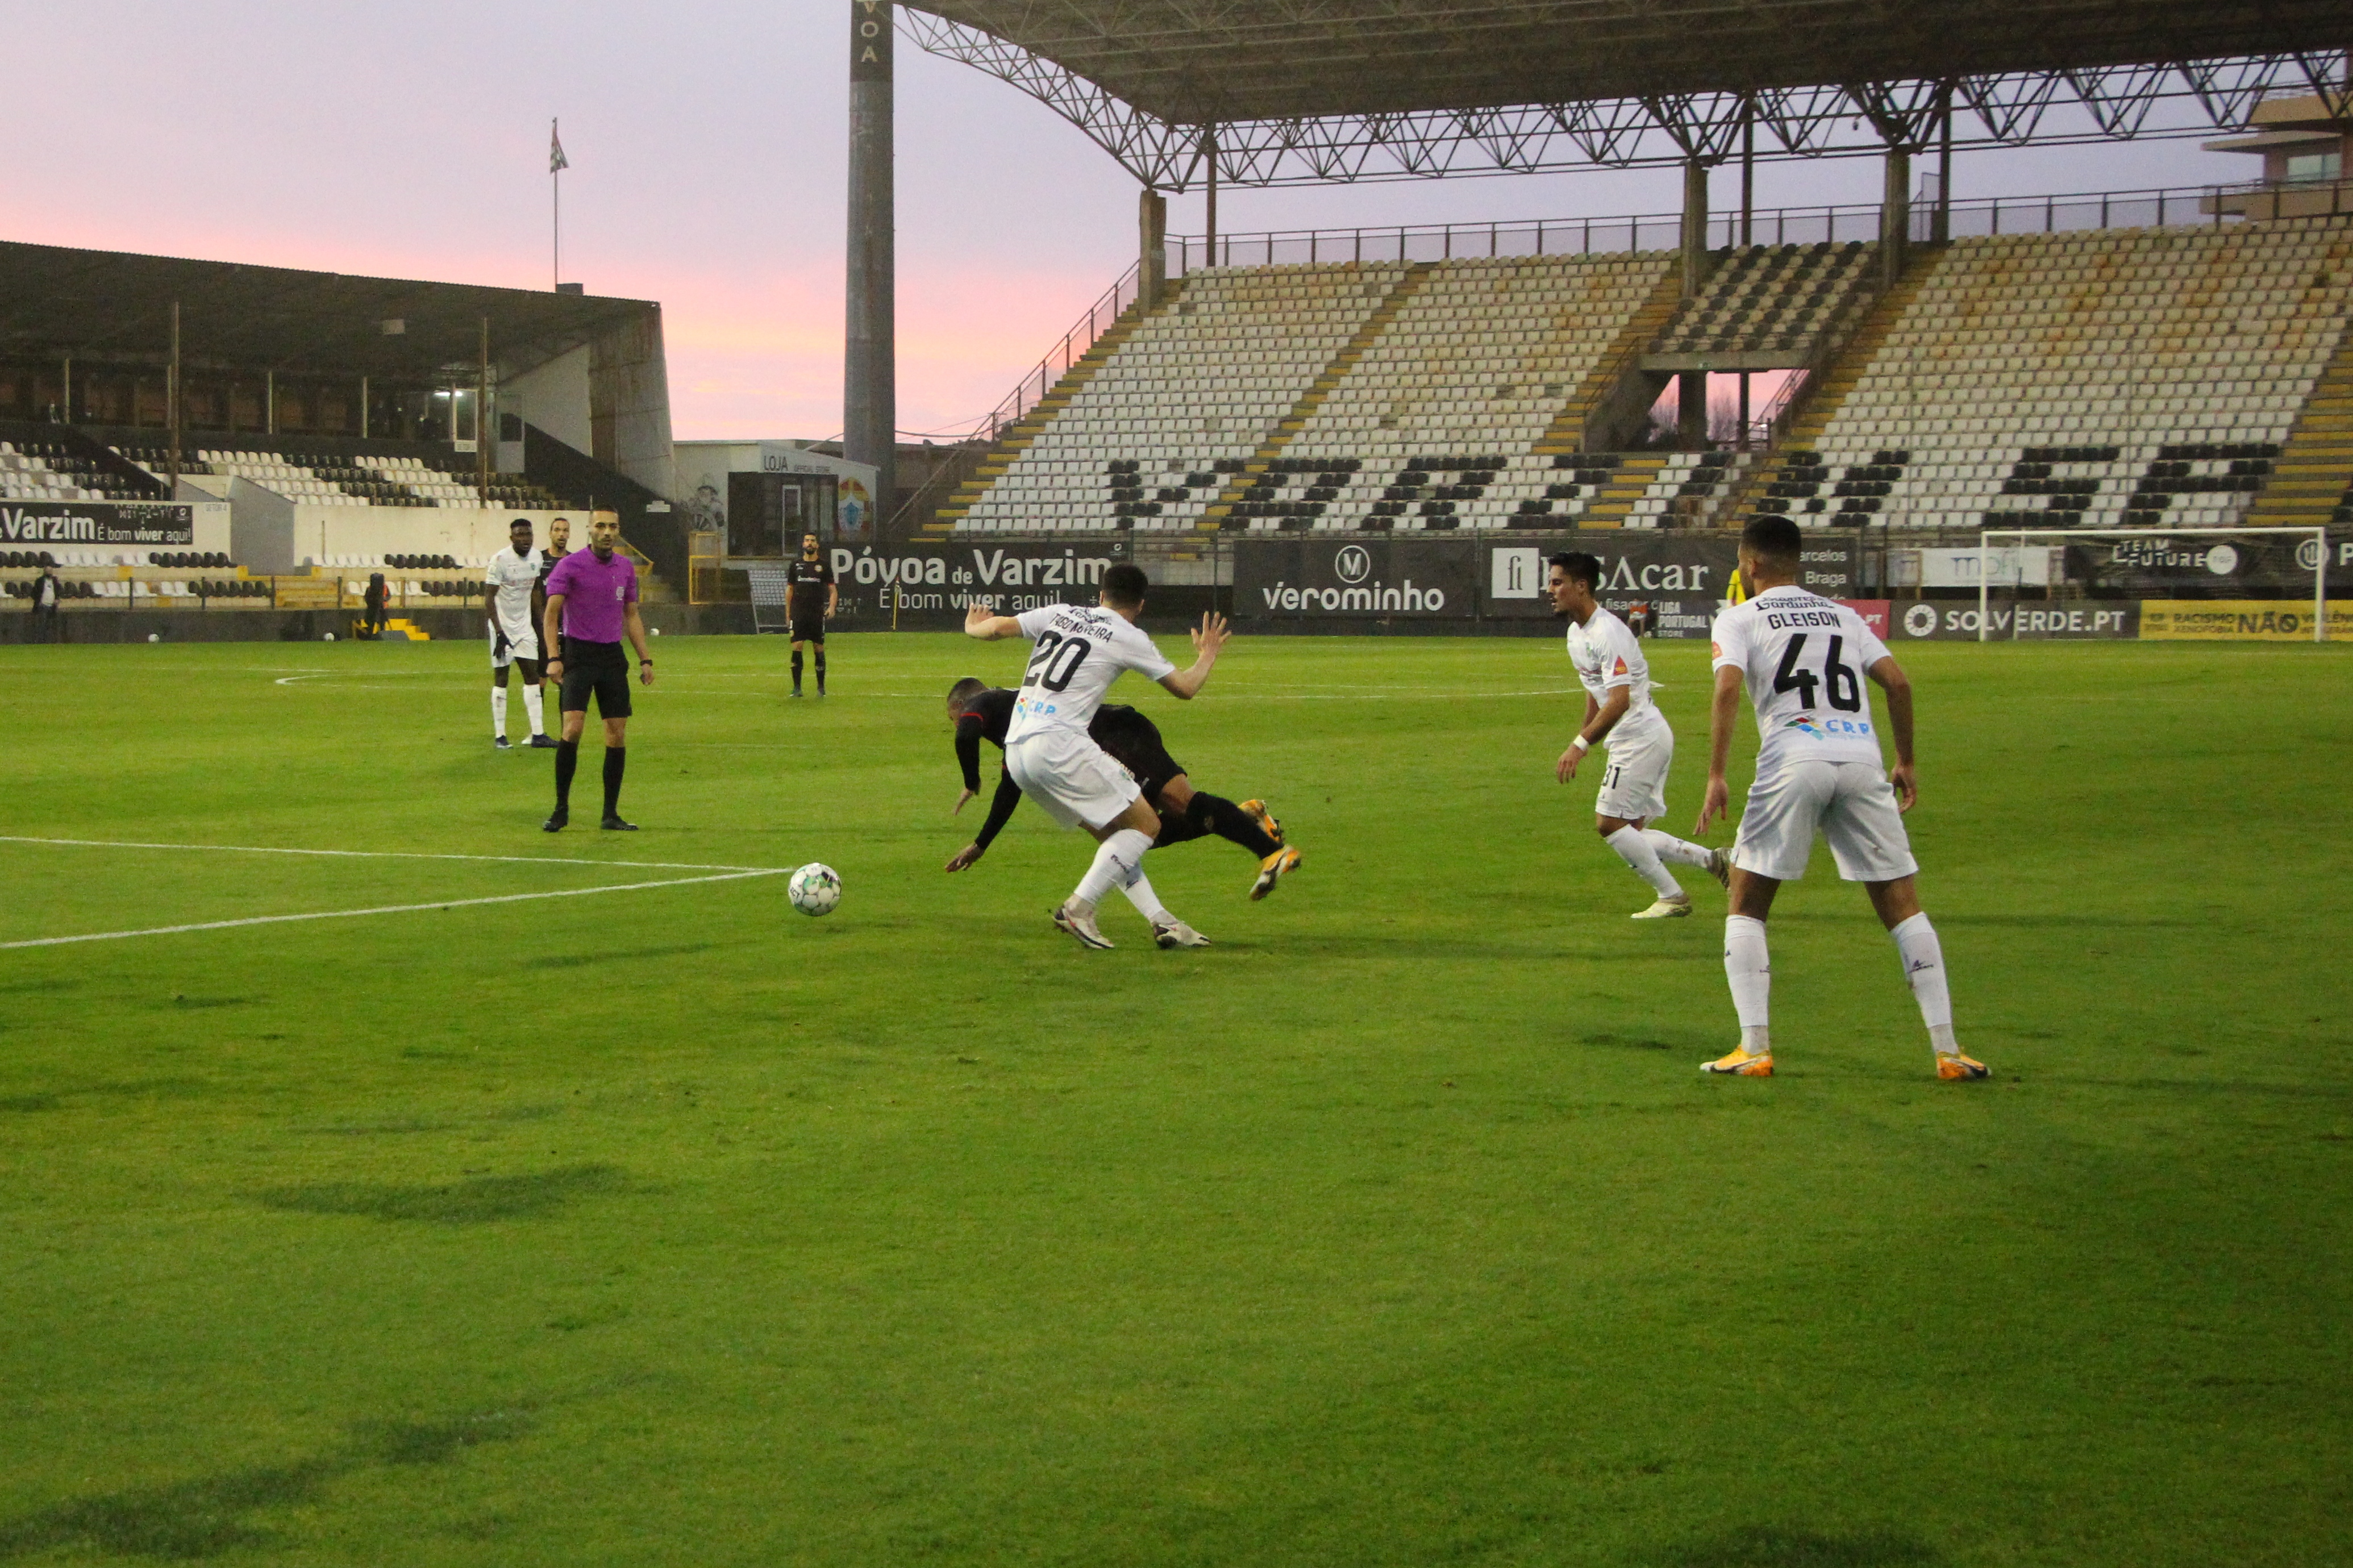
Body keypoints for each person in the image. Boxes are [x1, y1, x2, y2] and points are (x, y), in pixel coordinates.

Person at [1694, 515, 1988, 1081]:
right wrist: (1904, 761)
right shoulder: (1842, 615)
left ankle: (1753, 1047)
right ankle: (1949, 1051)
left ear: (1750, 563)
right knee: (1902, 905)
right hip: (1859, 759)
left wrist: (1715, 773)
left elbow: (1727, 685)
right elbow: (1898, 684)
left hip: (1793, 759)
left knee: (1747, 901)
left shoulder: (1738, 618)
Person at [962, 566, 1228, 949]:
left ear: (1101, 594)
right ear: (1139, 604)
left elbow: (995, 629)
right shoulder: (1128, 635)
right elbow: (1185, 688)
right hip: (1060, 744)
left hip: (1018, 749)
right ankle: (1078, 908)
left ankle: (1163, 922)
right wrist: (1207, 654)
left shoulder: (1060, 612)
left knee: (1117, 841)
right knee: (1147, 827)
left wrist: (972, 627)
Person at [942, 679, 1300, 898]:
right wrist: (981, 845)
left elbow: (966, 734)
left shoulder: (983, 702)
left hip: (1118, 735)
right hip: (1108, 745)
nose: (956, 723)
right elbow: (1012, 787)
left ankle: (1272, 852)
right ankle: (1244, 817)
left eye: (952, 717)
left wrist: (971, 782)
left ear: (961, 705)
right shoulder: (1016, 725)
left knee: (1180, 802)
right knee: (1146, 833)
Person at [1550, 552, 1726, 917]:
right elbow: (1595, 694)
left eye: (1557, 582)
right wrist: (1586, 734)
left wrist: (1580, 746)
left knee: (1608, 823)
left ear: (1581, 587)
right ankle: (1716, 861)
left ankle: (1672, 896)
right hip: (1633, 738)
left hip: (1640, 738)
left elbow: (1619, 700)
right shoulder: (1576, 633)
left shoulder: (1607, 631)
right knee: (1631, 831)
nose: (1549, 589)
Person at [540, 515, 653, 832]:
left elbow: (631, 615)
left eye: (613, 527)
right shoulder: (570, 566)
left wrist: (645, 659)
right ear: (589, 529)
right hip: (578, 654)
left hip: (611, 657)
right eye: (600, 526)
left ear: (618, 531)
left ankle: (610, 814)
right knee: (573, 728)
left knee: (616, 733)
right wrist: (554, 657)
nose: (606, 532)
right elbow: (551, 616)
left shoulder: (625, 568)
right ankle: (561, 809)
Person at [484, 518, 555, 749]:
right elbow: (489, 598)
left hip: (524, 627)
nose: (525, 539)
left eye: (529, 534)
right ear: (511, 537)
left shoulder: (536, 557)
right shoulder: (500, 560)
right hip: (502, 627)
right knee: (502, 678)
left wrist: (542, 621)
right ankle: (500, 736)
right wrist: (499, 630)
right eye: (520, 535)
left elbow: (534, 590)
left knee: (532, 677)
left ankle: (538, 734)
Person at [786, 532, 836, 697]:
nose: (810, 543)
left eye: (813, 541)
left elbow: (833, 590)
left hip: (816, 613)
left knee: (818, 648)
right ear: (803, 544)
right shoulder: (795, 565)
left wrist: (832, 607)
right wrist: (788, 613)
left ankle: (821, 688)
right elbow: (790, 589)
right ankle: (797, 688)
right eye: (807, 540)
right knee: (797, 646)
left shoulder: (824, 566)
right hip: (799, 613)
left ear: (817, 545)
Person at [30, 562, 62, 643]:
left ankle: (50, 641)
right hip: (43, 606)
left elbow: (59, 591)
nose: (49, 572)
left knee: (50, 625)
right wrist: (38, 601)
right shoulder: (40, 581)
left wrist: (57, 599)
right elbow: (34, 593)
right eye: (47, 571)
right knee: (42, 625)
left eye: (50, 571)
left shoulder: (55, 581)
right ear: (44, 572)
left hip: (52, 606)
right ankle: (42, 641)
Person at [361, 572, 389, 639]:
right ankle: (370, 635)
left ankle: (382, 633)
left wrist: (384, 599)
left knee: (382, 621)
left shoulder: (385, 587)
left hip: (383, 607)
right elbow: (366, 597)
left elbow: (388, 596)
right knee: (371, 621)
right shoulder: (369, 588)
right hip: (372, 607)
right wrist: (370, 603)